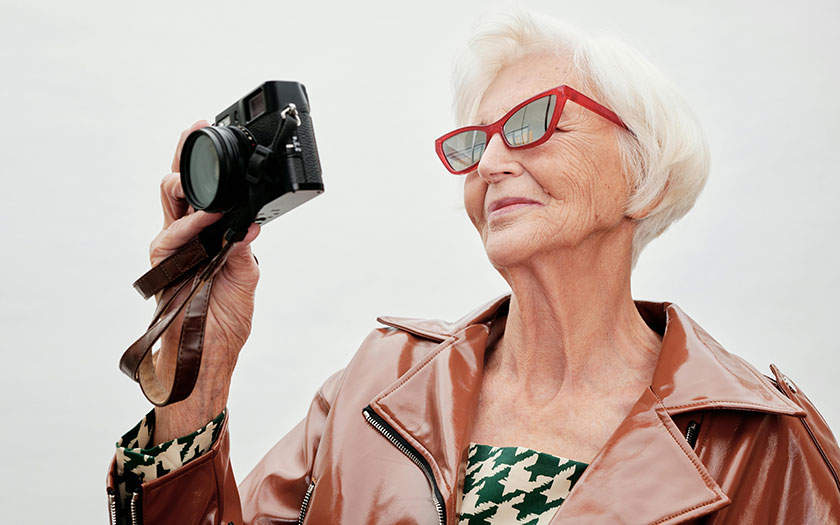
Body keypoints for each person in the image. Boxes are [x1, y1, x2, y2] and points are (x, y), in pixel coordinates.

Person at [106, 7, 840, 525]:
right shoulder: (378, 381)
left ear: (644, 170)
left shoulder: (762, 439)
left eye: (532, 123)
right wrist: (197, 374)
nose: (488, 162)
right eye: (475, 141)